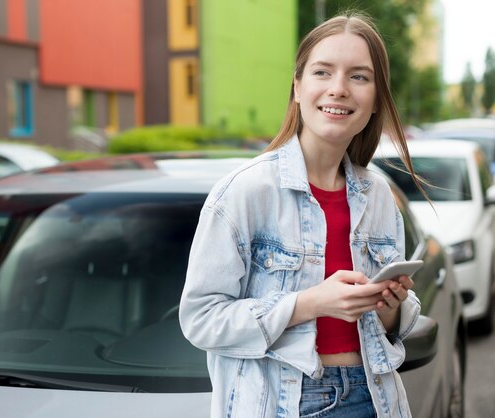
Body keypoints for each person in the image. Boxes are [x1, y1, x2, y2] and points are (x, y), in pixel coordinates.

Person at [179, 11, 423, 418]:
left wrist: (389, 306)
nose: (339, 89)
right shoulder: (245, 192)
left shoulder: (378, 194)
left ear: (377, 97)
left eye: (359, 77)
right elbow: (201, 319)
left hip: (376, 399)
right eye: (323, 72)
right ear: (297, 87)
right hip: (283, 403)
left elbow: (387, 326)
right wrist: (309, 303)